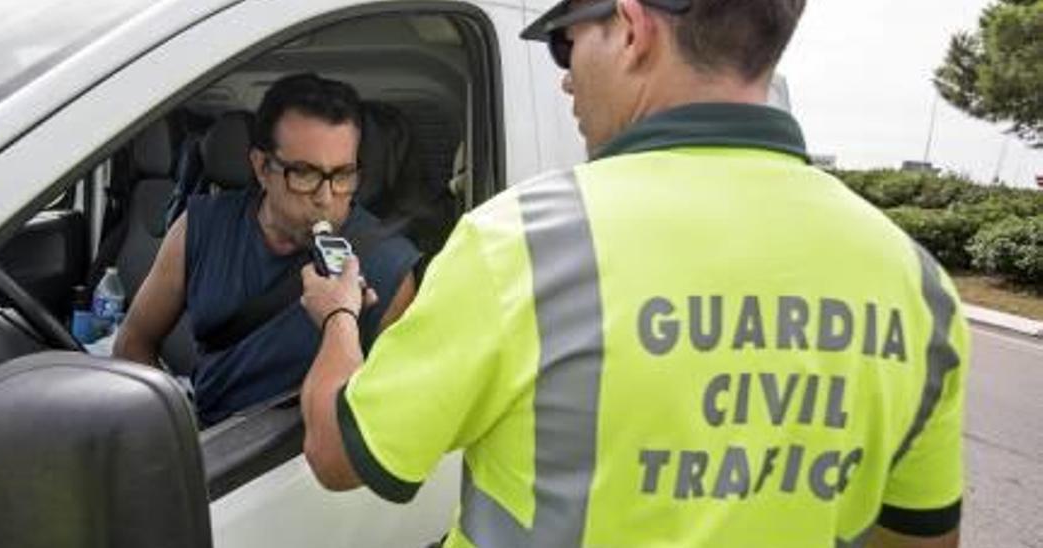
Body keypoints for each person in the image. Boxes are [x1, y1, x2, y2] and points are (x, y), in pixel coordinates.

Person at [297, 1, 968, 546]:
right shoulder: (916, 284)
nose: (564, 76)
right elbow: (921, 538)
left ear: (631, 29)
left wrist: (336, 314)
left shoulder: (518, 246)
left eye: (567, 44)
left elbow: (337, 453)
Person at [116, 73, 420, 426]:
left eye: (342, 175)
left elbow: (391, 415)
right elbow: (132, 342)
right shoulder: (201, 225)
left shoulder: (389, 267)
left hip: (288, 467)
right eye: (304, 174)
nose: (325, 198)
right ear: (262, 167)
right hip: (206, 443)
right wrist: (174, 432)